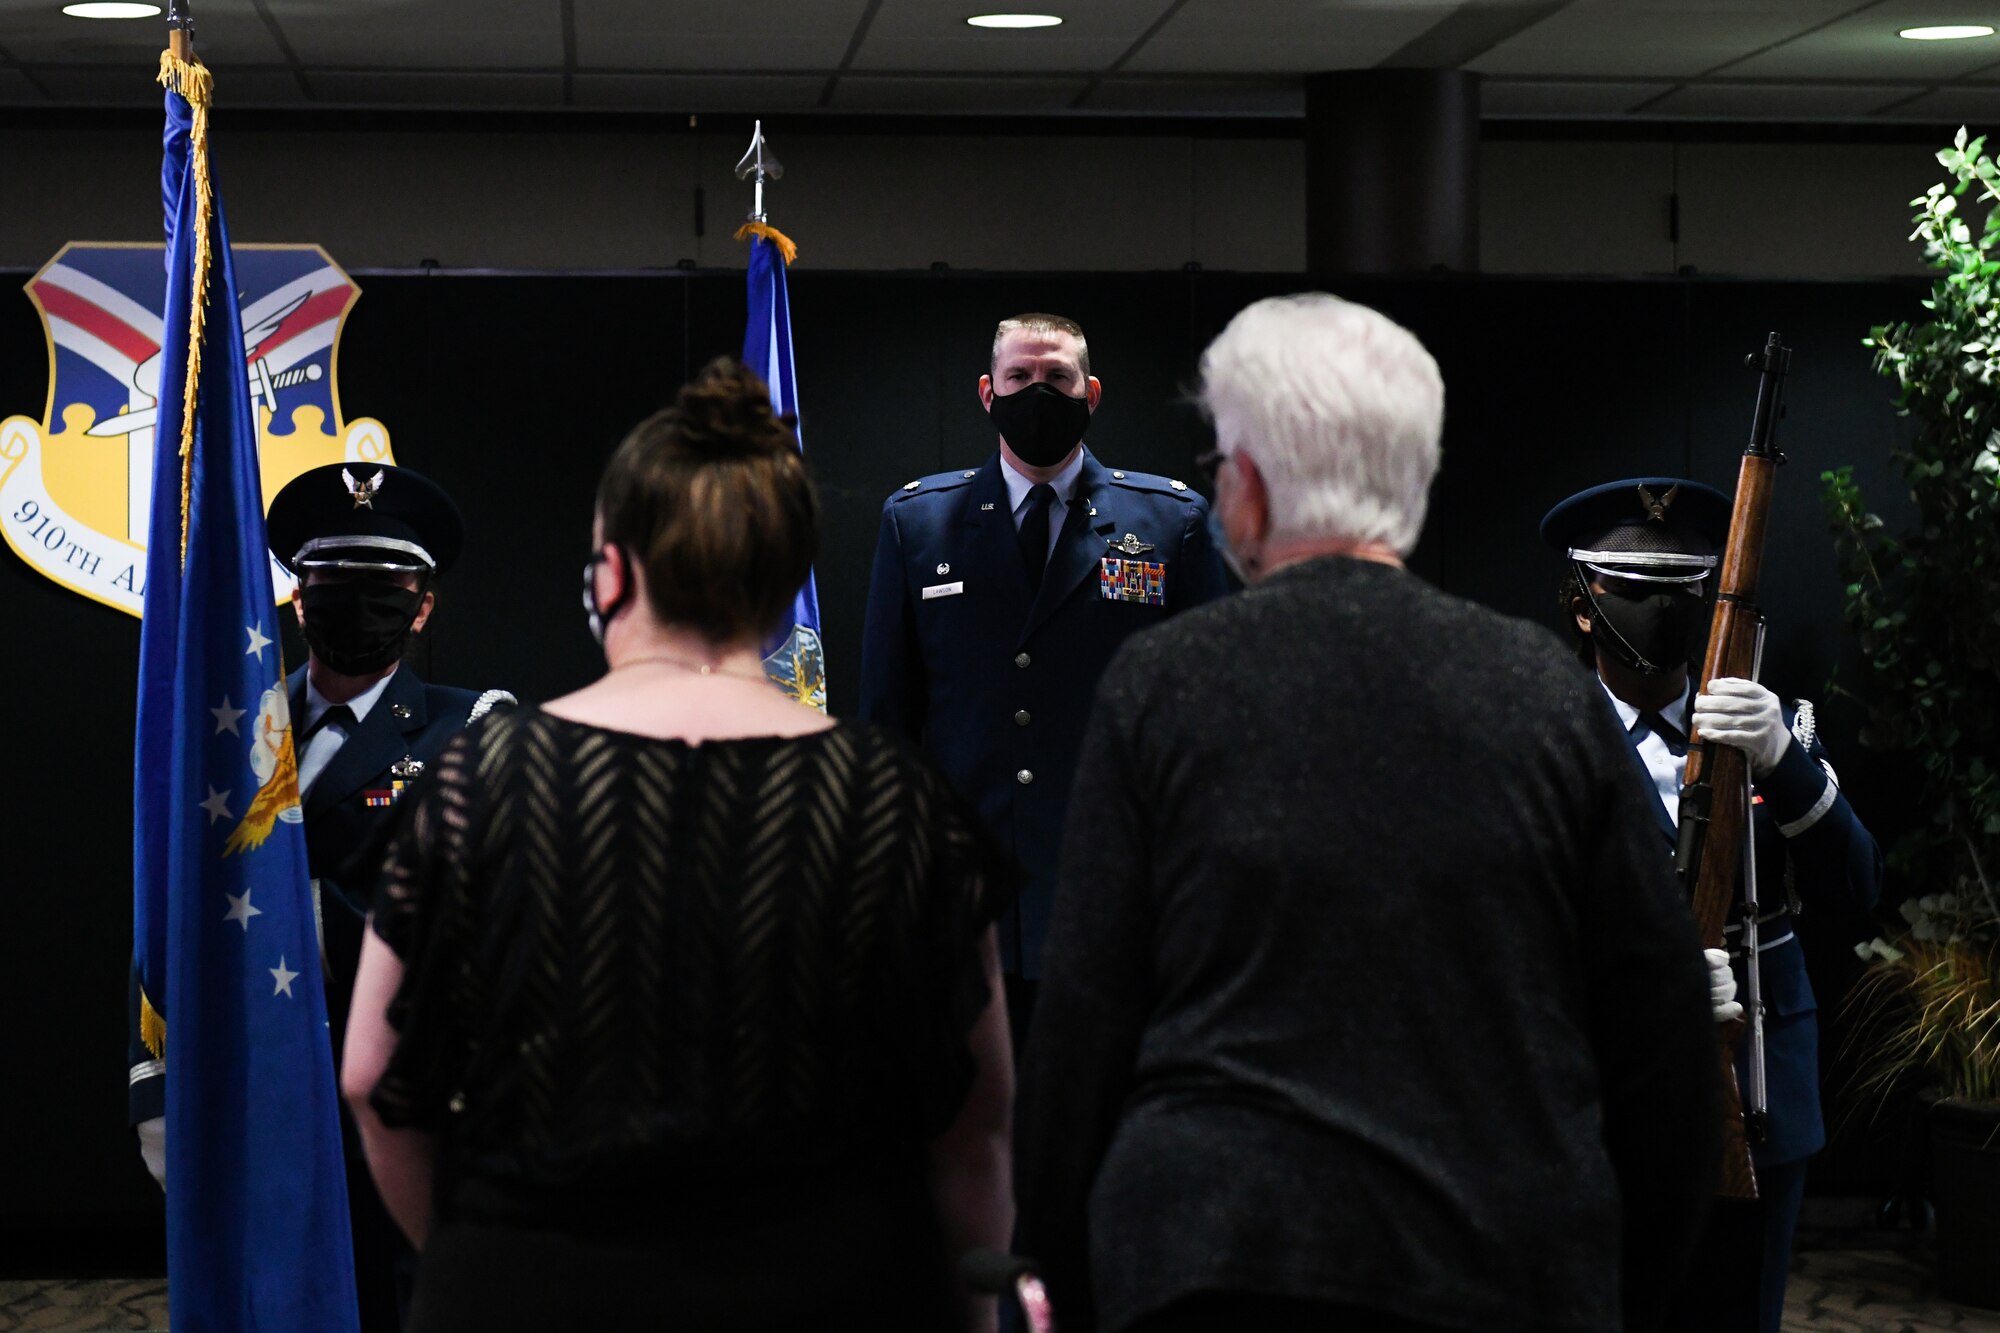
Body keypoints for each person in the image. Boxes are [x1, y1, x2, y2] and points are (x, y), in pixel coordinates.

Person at [1013, 294, 1726, 1333]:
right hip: (1509, 1275)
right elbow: (1664, 1050)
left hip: (1212, 1271)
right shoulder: (1545, 692)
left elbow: (1079, 1044)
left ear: (1245, 490)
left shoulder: (1162, 688)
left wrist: (1079, 1289)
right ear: (1414, 483)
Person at [340, 359, 1016, 1333]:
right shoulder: (899, 801)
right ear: (788, 590)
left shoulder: (477, 781)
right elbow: (974, 1127)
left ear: (610, 573)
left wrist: (477, 1259)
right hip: (834, 1296)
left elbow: (372, 1079)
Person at [127, 460, 513, 1332]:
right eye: (331, 585)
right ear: (296, 600)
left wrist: (306, 922)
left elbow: (479, 928)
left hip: (396, 1102)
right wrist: (159, 1083)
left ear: (422, 607)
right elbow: (173, 907)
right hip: (251, 1085)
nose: (356, 608)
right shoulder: (223, 736)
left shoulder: (476, 728)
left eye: (386, 590)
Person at [1542, 477, 1884, 1333]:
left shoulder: (1778, 728)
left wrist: (1782, 761)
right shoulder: (1542, 735)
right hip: (1599, 1092)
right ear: (1584, 603)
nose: (1664, 609)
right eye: (1637, 591)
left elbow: (1857, 887)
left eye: (1686, 591)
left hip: (1757, 1081)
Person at [859, 312, 1229, 1039]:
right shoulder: (920, 524)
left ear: (1090, 394)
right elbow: (888, 725)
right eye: (1020, 377)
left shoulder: (1167, 523)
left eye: (1056, 378)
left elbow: (1208, 724)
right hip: (967, 903)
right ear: (987, 393)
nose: (1038, 392)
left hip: (1112, 895)